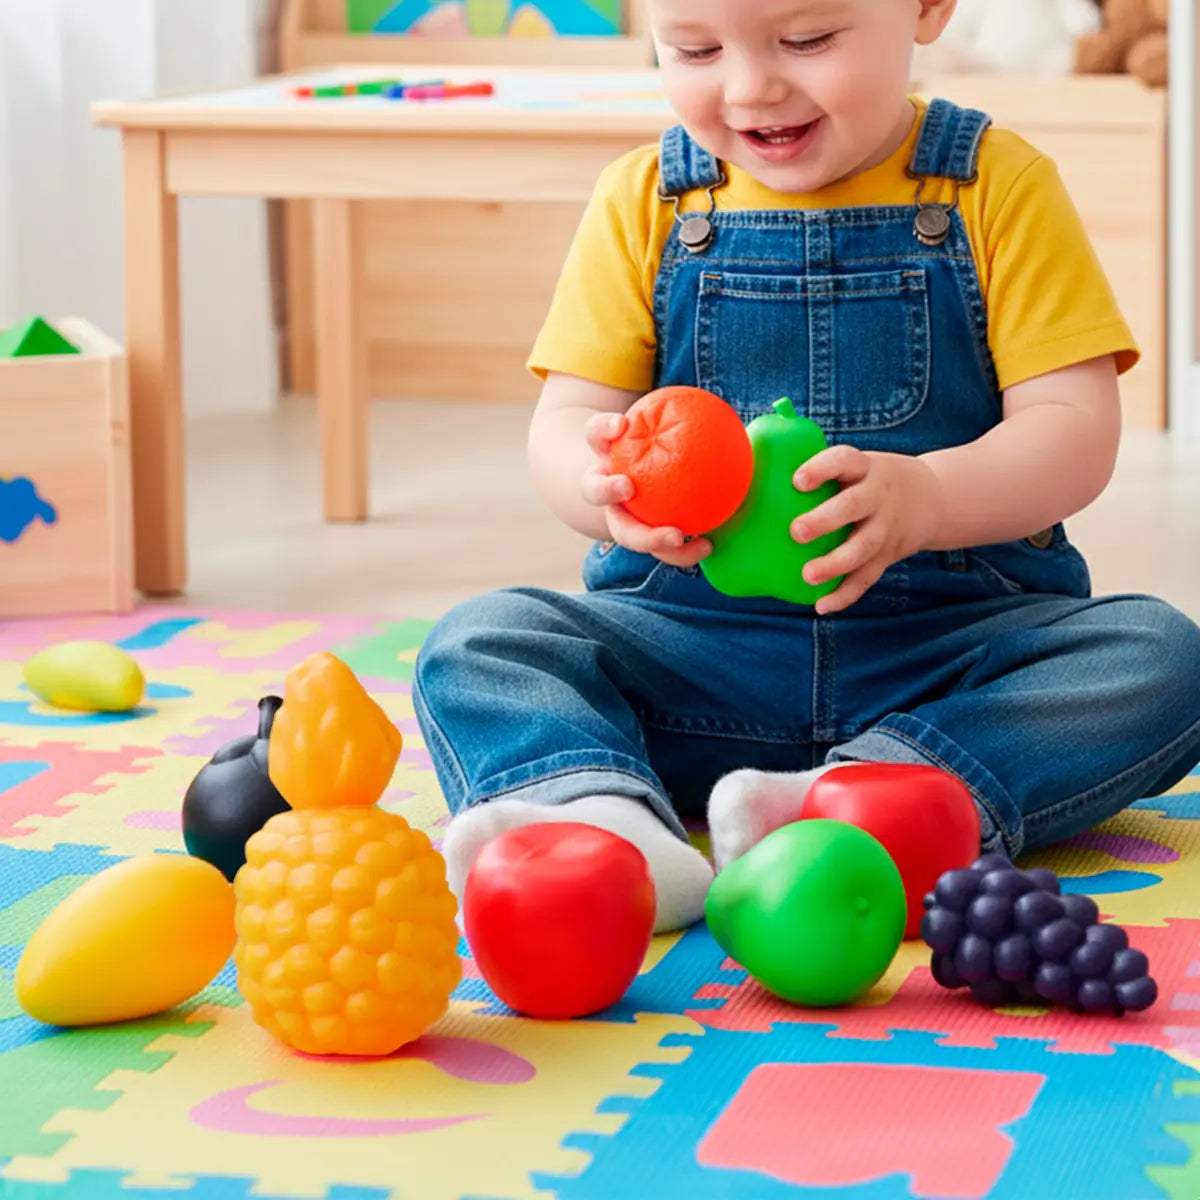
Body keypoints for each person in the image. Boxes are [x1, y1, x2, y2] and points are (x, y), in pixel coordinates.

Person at [413, 0, 1200, 934]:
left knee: (1162, 655)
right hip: (694, 655)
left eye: (807, 40)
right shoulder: (645, 200)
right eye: (696, 49)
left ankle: (855, 802)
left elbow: (1074, 427)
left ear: (925, 9)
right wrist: (603, 492)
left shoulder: (993, 185)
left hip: (946, 649)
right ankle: (603, 825)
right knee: (482, 642)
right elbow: (569, 419)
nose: (751, 87)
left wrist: (933, 498)